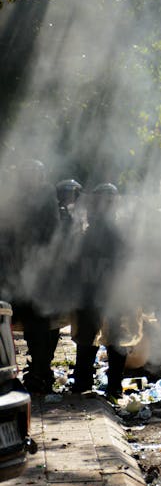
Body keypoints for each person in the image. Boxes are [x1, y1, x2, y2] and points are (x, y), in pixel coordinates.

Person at [4, 160, 61, 393]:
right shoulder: (15, 199)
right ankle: (23, 372)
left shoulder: (46, 199)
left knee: (41, 325)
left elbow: (51, 236)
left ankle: (40, 372)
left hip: (39, 275)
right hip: (15, 274)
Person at [71, 183, 130, 398]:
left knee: (105, 338)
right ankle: (106, 385)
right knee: (97, 338)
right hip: (97, 292)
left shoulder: (110, 233)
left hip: (105, 292)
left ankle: (89, 383)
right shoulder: (113, 233)